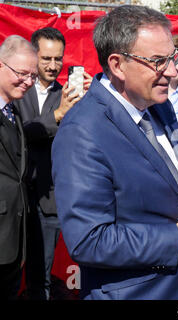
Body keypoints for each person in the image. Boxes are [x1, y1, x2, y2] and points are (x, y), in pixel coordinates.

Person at [51, 5, 178, 300]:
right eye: (158, 62)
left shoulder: (162, 106)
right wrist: (175, 238)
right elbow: (88, 240)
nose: (171, 72)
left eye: (172, 58)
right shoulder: (82, 131)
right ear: (118, 65)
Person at [13, 27, 92, 300]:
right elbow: (19, 134)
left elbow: (85, 138)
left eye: (58, 59)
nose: (53, 65)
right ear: (34, 56)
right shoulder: (15, 90)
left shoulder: (70, 94)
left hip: (53, 201)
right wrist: (57, 115)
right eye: (46, 58)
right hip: (15, 201)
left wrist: (91, 100)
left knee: (42, 278)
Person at [0, 35, 38, 299]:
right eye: (22, 74)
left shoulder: (15, 111)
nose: (29, 82)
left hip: (13, 243)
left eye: (32, 76)